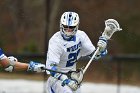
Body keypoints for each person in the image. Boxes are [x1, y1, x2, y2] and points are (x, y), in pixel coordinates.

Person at [45, 11, 108, 93]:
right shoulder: (55, 41)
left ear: (76, 26)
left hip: (73, 78)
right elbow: (51, 69)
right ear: (61, 25)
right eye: (65, 27)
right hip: (57, 79)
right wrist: (66, 80)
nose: (67, 30)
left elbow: (94, 56)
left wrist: (102, 49)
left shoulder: (81, 36)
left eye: (71, 28)